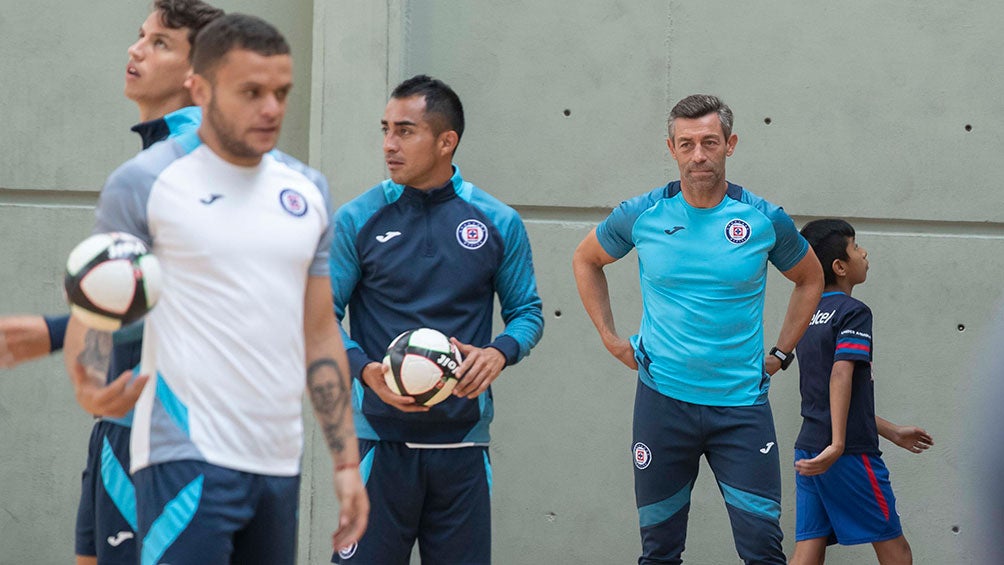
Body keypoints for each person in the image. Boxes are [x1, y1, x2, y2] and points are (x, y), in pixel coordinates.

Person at [63, 13, 368, 564]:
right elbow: (98, 303)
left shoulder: (308, 191)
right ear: (201, 89)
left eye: (281, 91)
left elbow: (319, 332)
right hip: (181, 454)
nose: (271, 107)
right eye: (251, 91)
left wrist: (345, 463)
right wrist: (88, 382)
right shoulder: (143, 182)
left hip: (278, 461)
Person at [2, 3, 222, 564]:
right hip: (120, 421)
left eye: (161, 43)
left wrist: (54, 332)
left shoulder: (198, 162)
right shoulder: (156, 156)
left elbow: (191, 296)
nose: (136, 49)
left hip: (173, 435)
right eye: (140, 36)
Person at [572, 94, 823, 564]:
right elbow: (587, 260)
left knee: (763, 553)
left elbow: (810, 279)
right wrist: (610, 339)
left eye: (710, 142)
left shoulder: (764, 219)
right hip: (662, 403)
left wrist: (783, 352)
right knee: (660, 553)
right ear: (671, 148)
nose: (698, 155)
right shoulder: (642, 214)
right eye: (686, 144)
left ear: (730, 144)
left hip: (741, 407)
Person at [328, 75, 544, 564]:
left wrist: (499, 352)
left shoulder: (496, 221)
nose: (388, 145)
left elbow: (528, 313)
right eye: (385, 129)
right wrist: (365, 370)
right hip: (377, 445)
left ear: (447, 141)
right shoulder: (357, 219)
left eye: (405, 131)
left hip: (463, 447)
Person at [790, 219, 933, 565]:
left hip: (809, 446)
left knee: (808, 552)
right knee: (897, 553)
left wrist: (891, 430)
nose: (864, 252)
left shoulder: (806, 314)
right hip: (847, 452)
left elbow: (832, 394)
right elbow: (841, 373)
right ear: (840, 266)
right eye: (856, 247)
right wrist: (839, 444)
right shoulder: (853, 312)